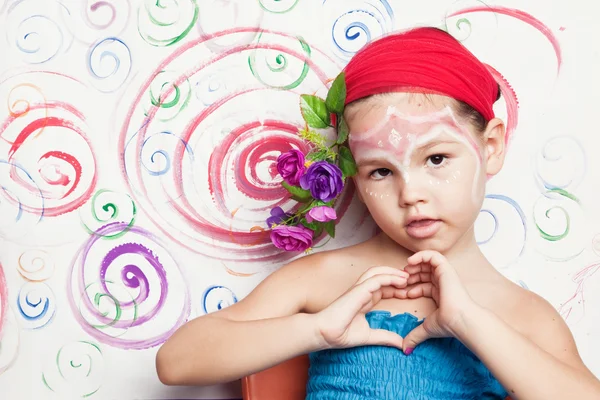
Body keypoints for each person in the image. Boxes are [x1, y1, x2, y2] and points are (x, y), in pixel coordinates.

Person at [155, 27, 600, 399]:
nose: (411, 194)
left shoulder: (520, 314)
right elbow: (176, 363)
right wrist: (316, 331)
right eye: (382, 171)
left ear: (491, 146)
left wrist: (468, 321)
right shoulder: (326, 281)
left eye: (437, 159)